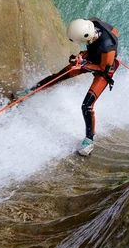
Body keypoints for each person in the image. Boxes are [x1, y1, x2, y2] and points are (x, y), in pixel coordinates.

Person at [26, 17, 119, 156]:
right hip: (93, 58)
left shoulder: (107, 46)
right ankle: (31, 91)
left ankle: (89, 141)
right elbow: (95, 45)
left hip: (104, 69)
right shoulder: (91, 24)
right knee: (58, 76)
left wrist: (82, 64)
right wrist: (83, 56)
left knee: (87, 105)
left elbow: (103, 69)